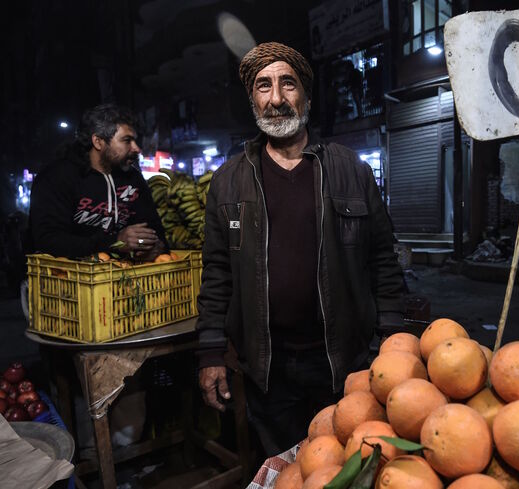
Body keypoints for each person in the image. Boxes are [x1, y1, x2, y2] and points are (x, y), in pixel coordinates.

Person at [195, 42, 405, 456]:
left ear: (305, 95)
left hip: (346, 365)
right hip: (268, 371)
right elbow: (217, 273)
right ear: (253, 99)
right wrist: (210, 352)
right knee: (286, 471)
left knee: (352, 465)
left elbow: (383, 261)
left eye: (287, 84)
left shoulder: (351, 171)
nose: (276, 99)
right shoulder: (228, 182)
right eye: (263, 86)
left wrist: (394, 344)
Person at [29, 104, 166, 261]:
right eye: (127, 140)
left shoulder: (133, 179)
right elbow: (47, 240)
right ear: (98, 142)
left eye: (135, 140)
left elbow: (154, 230)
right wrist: (115, 243)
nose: (136, 148)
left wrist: (149, 246)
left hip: (124, 279)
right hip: (68, 279)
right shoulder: (57, 177)